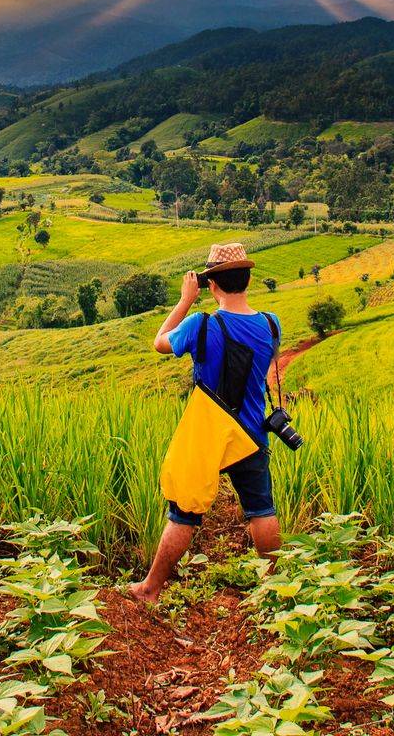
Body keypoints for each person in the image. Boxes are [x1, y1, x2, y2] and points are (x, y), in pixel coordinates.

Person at [130, 242, 283, 605]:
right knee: (261, 509)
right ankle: (278, 588)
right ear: (247, 279)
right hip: (251, 432)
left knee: (183, 511)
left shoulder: (200, 325)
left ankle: (150, 589)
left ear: (212, 284)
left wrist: (184, 301)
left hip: (208, 433)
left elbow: (159, 343)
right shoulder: (271, 324)